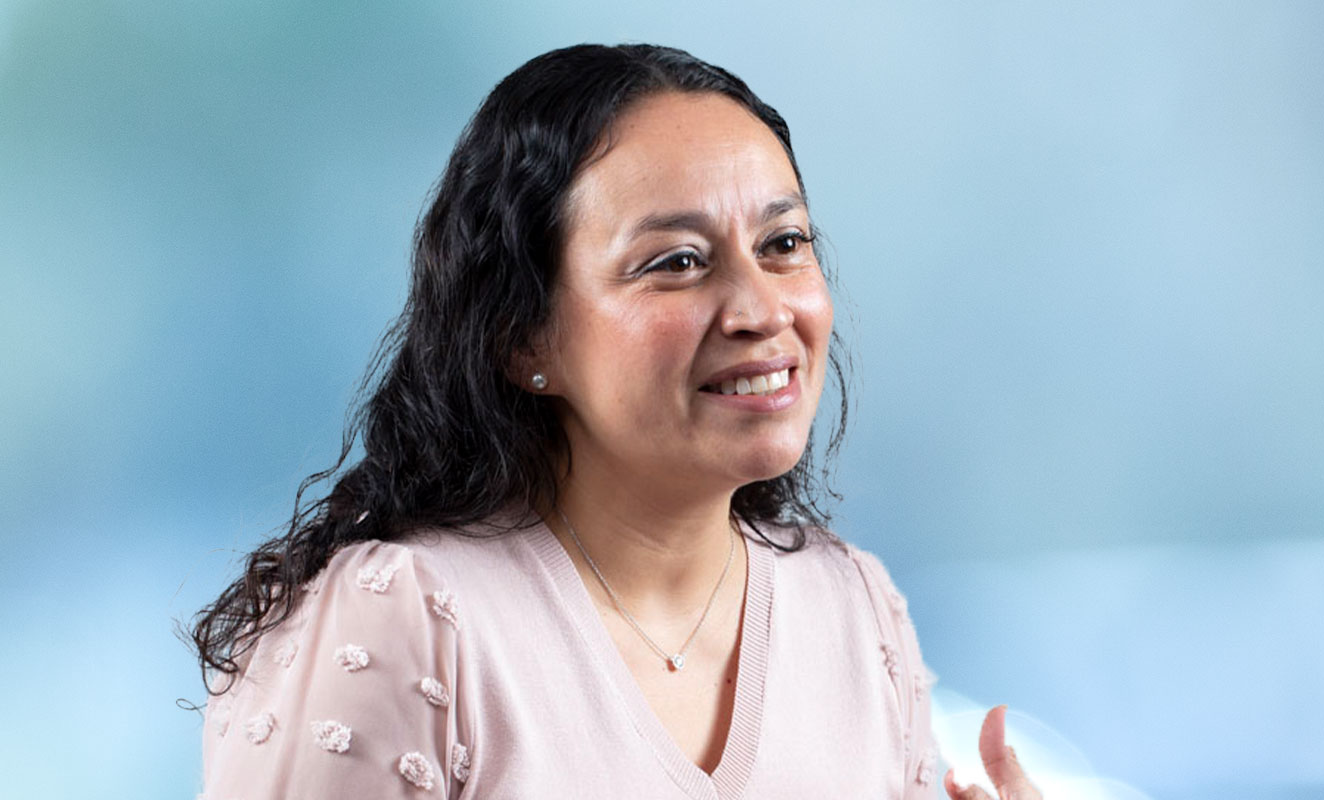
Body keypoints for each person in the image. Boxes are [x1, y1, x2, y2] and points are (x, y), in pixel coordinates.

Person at [192, 43, 1040, 800]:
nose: (761, 310)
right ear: (524, 338)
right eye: (677, 261)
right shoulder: (413, 619)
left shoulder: (853, 609)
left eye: (783, 244)